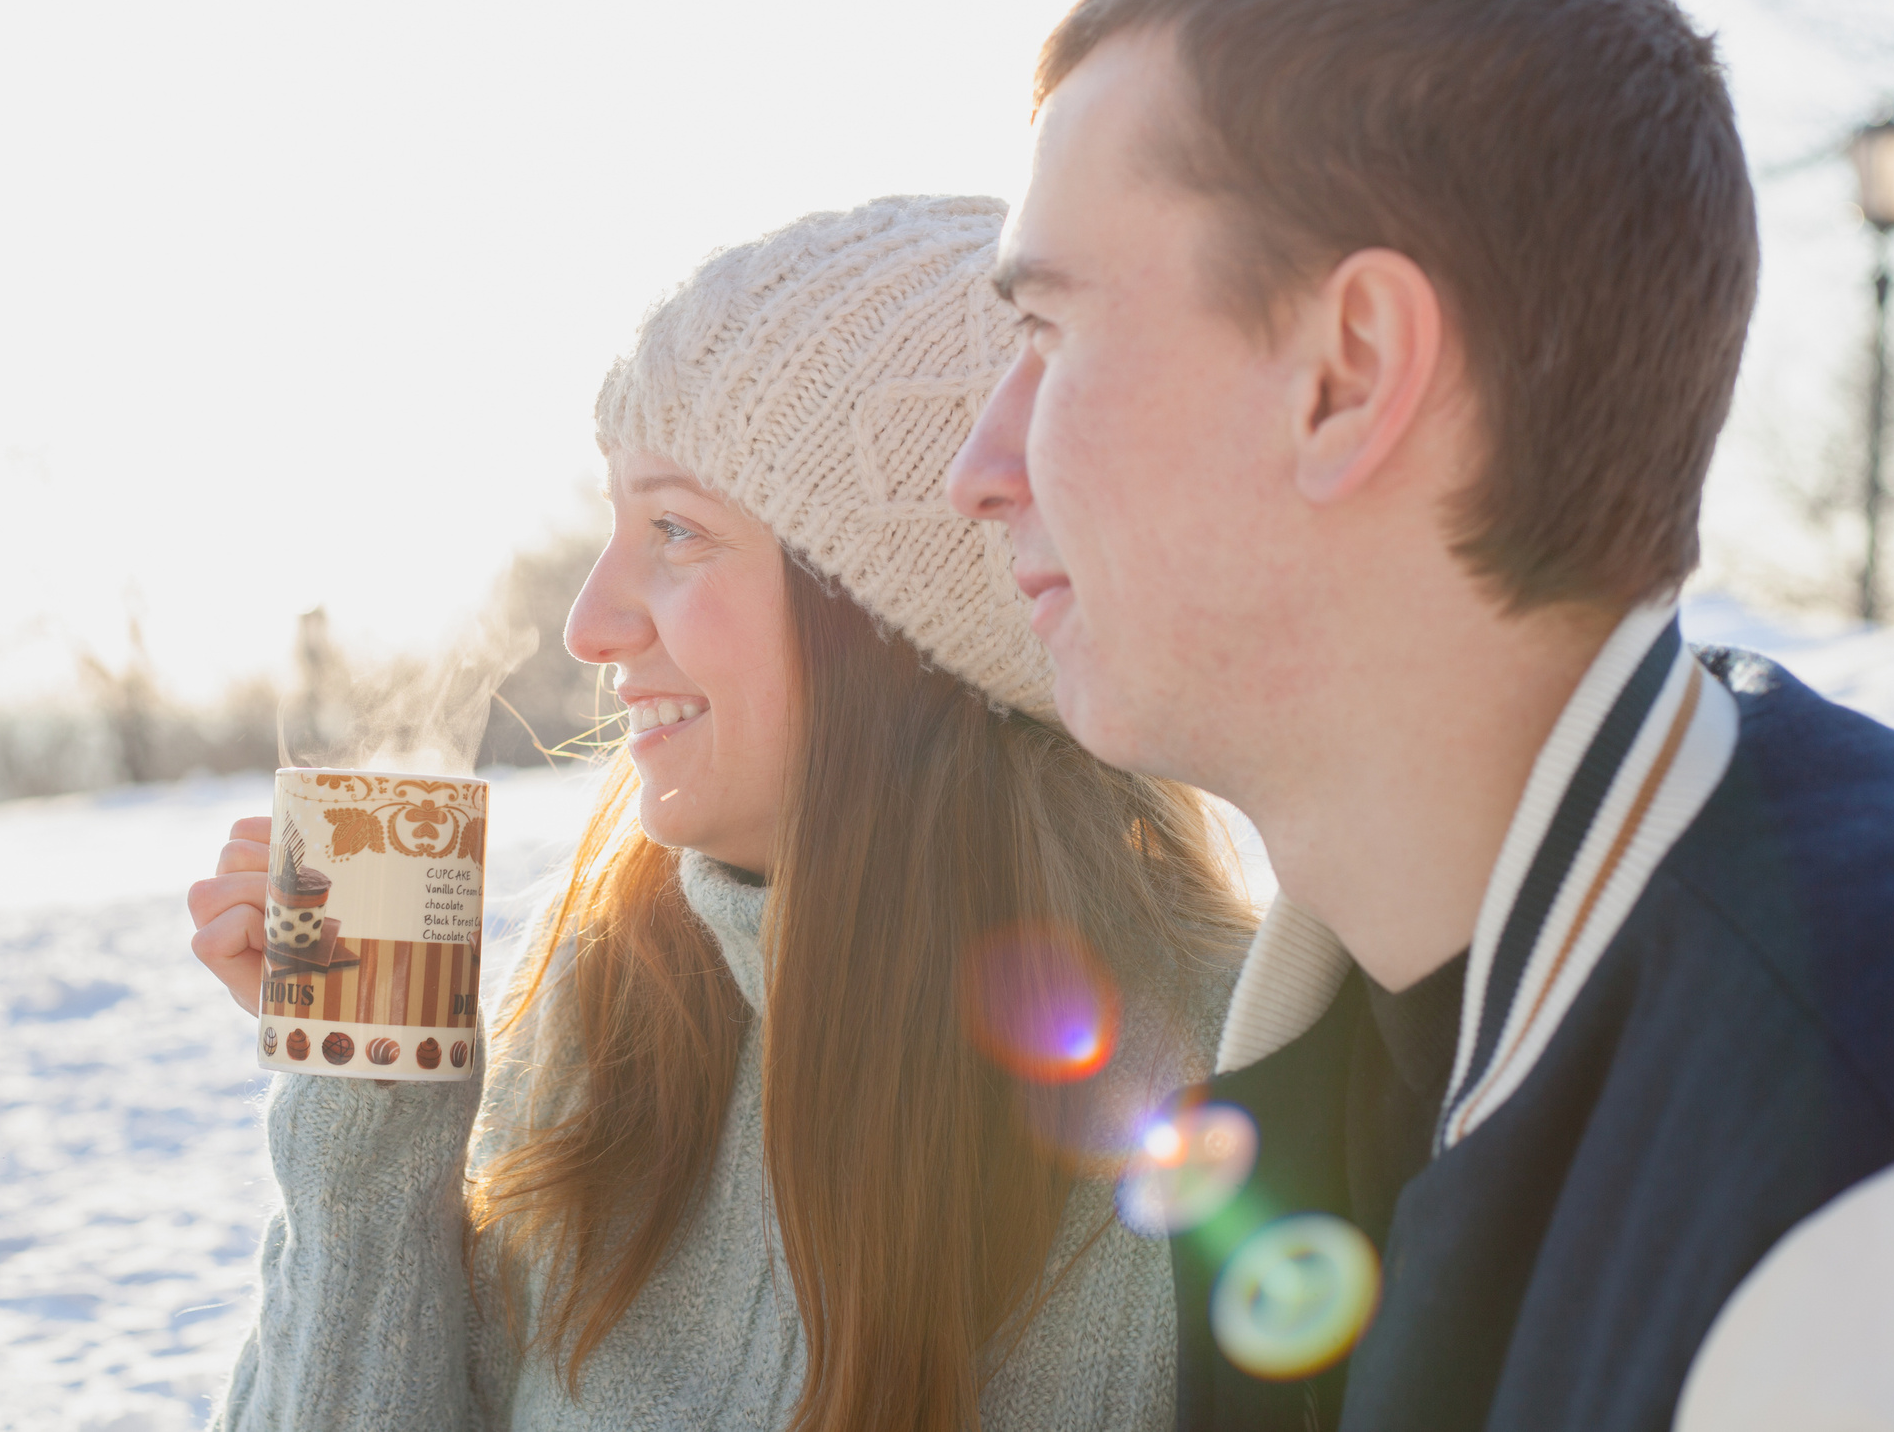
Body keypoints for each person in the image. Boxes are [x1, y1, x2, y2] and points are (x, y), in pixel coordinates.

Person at [948, 0, 1894, 1432]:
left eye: (1047, 333)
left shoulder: (1879, 1190)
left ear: (1349, 373)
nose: (980, 465)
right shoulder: (1334, 1056)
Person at [188, 195, 1258, 1432]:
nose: (590, 624)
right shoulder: (615, 1005)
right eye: (617, 524)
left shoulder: (1232, 1077)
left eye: (677, 529)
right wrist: (367, 1106)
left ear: (912, 609)